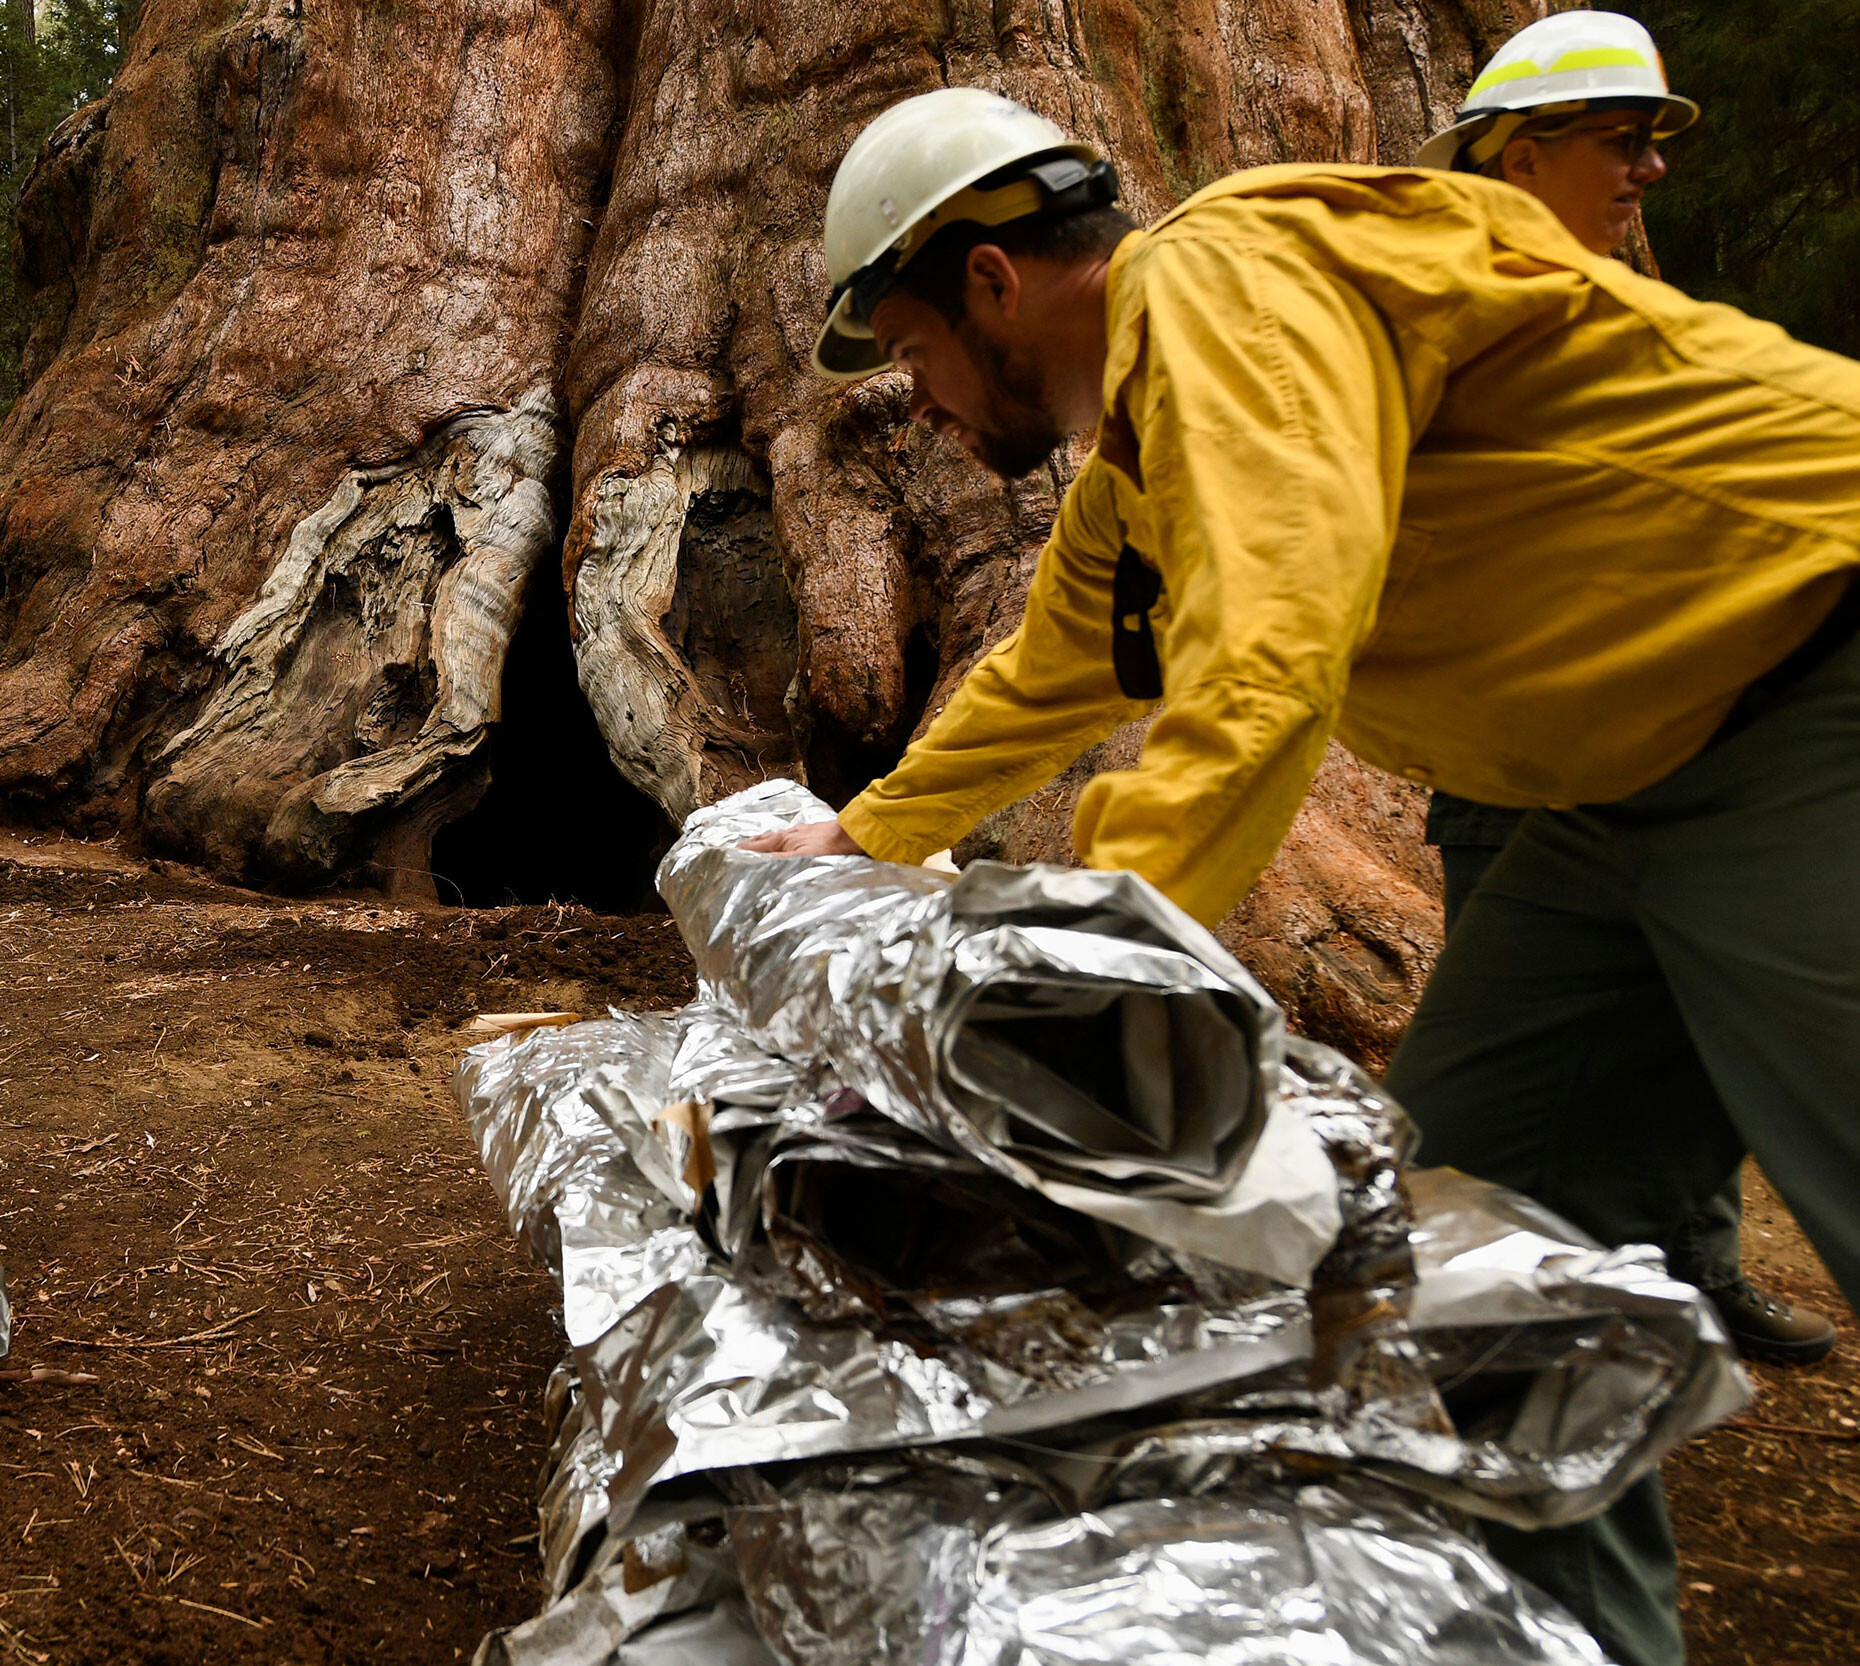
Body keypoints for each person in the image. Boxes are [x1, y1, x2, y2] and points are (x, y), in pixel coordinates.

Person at [749, 86, 1860, 1666]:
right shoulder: (1139, 445)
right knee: (1480, 1236)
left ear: (990, 282)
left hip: (1815, 657)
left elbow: (1269, 654)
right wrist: (869, 836)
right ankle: (1572, 1638)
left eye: (914, 354)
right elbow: (1050, 669)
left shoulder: (1219, 287)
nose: (921, 403)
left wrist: (1087, 982)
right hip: (1621, 775)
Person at [1408, 12, 1834, 1369]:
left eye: (1654, 143)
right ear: (1516, 153)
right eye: (1621, 138)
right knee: (1535, 1096)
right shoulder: (1431, 290)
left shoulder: (1598, 297)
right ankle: (1615, 1297)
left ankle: (1681, 1267)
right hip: (1523, 765)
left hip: (1738, 731)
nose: (1650, 170)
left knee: (1672, 1043)